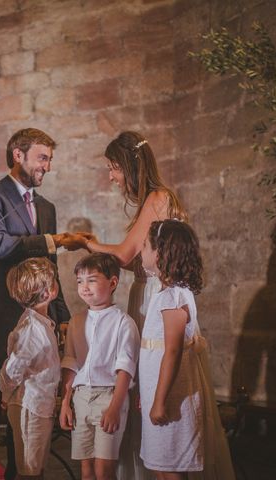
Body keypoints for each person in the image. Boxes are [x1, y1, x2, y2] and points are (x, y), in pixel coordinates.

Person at [61, 131, 187, 479]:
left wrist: (86, 243)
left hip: (152, 298)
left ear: (130, 166)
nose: (112, 177)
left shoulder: (158, 198)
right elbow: (134, 261)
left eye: (113, 168)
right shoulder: (158, 198)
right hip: (146, 291)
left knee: (149, 375)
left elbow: (125, 255)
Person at [0, 127, 71, 480]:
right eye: (42, 158)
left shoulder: (47, 207)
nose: (47, 166)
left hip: (37, 319)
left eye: (49, 159)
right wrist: (47, 239)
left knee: (26, 403)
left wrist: (61, 313)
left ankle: (19, 473)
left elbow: (50, 265)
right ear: (18, 155)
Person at [139, 220, 234, 480]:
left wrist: (159, 401)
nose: (141, 250)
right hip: (160, 393)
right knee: (162, 465)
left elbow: (172, 352)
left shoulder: (173, 297)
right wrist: (148, 395)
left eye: (145, 245)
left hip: (172, 399)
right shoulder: (167, 293)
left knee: (169, 468)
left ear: (160, 253)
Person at [59, 253, 140, 480]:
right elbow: (70, 363)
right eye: (79, 281)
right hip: (81, 397)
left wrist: (115, 407)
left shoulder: (124, 323)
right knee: (86, 468)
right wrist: (66, 402)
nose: (84, 287)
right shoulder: (76, 322)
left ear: (112, 282)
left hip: (109, 397)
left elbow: (125, 368)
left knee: (104, 470)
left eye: (92, 280)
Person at [0, 257, 62, 480]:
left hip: (40, 403)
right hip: (29, 405)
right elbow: (13, 368)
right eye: (53, 281)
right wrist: (6, 396)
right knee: (28, 470)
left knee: (37, 466)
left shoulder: (42, 323)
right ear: (47, 293)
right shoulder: (32, 329)